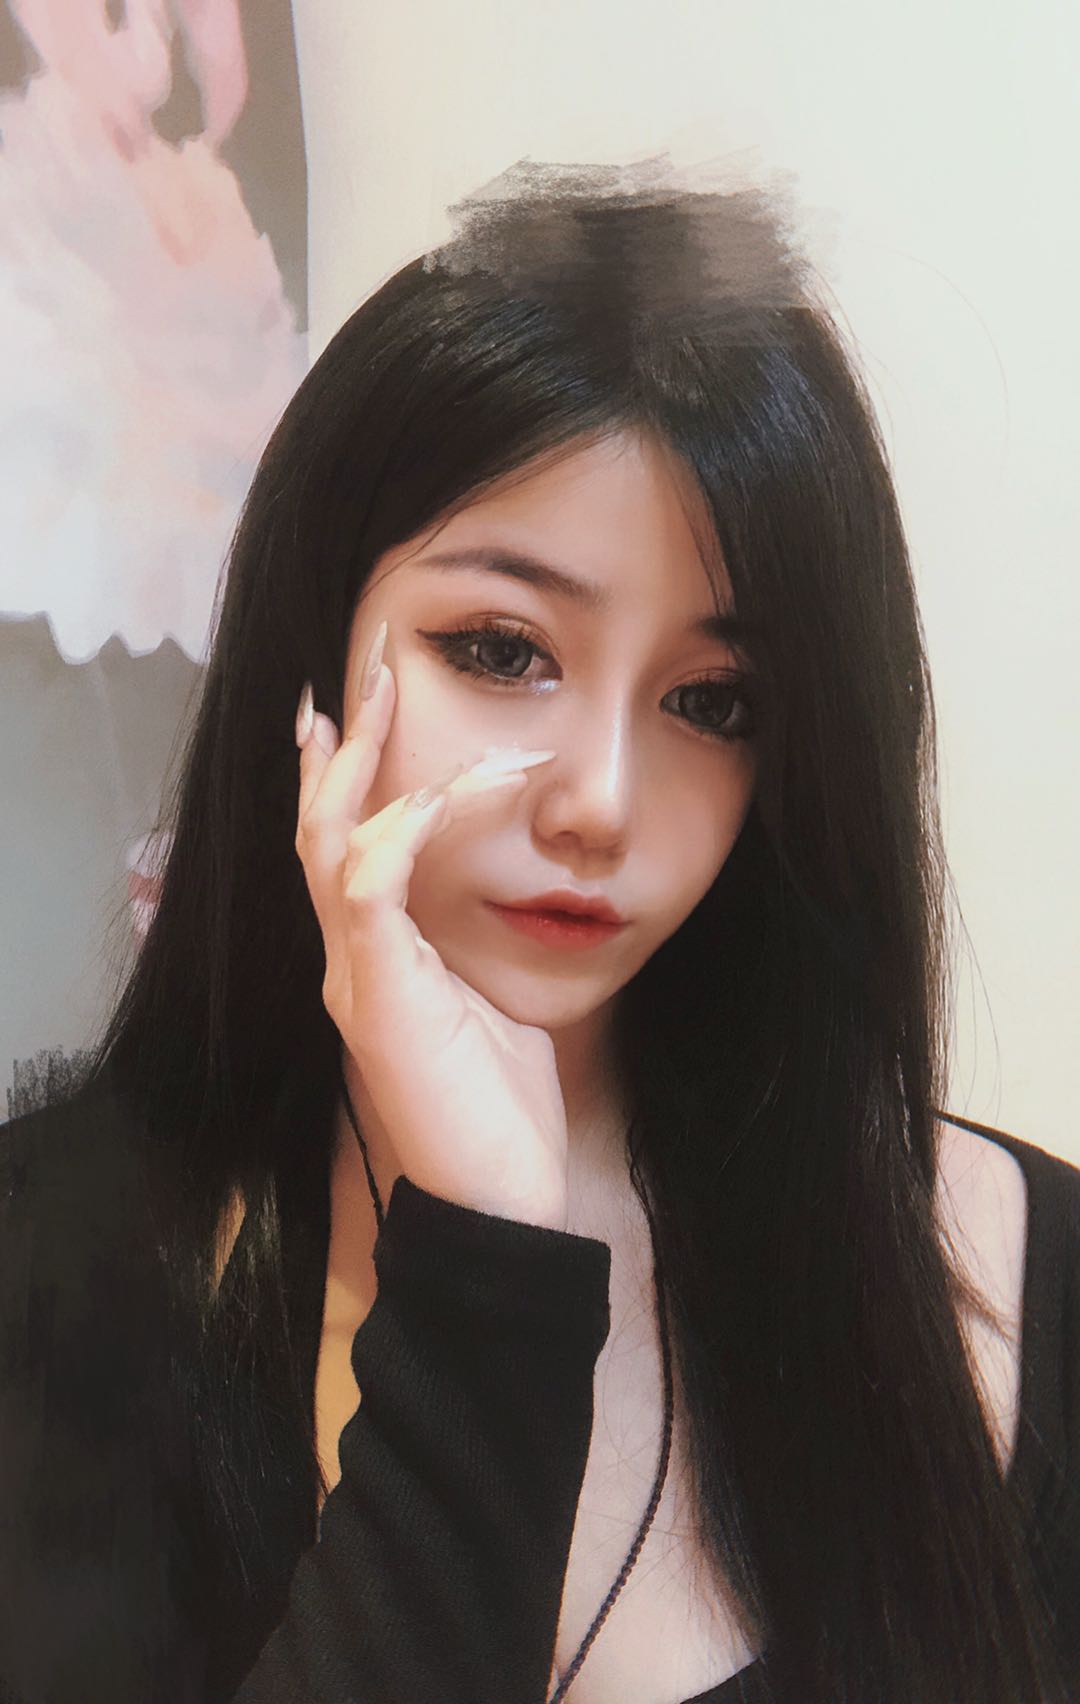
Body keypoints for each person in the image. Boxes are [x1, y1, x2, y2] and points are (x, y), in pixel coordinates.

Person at [1, 160, 1077, 1704]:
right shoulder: (51, 1271)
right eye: (500, 651)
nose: (602, 805)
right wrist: (485, 1263)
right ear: (315, 662)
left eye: (714, 702)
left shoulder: (1023, 1265)